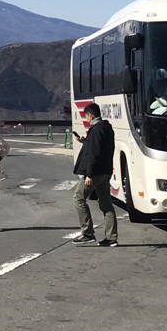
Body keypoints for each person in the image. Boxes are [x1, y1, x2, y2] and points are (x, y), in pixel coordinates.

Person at [71, 102, 118, 246]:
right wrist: (85, 141)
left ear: (91, 115)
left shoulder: (96, 129)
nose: (86, 119)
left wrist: (89, 174)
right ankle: (111, 238)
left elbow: (94, 153)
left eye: (86, 116)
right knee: (106, 204)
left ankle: (87, 233)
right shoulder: (106, 127)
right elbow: (99, 147)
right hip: (105, 171)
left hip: (95, 172)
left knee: (79, 198)